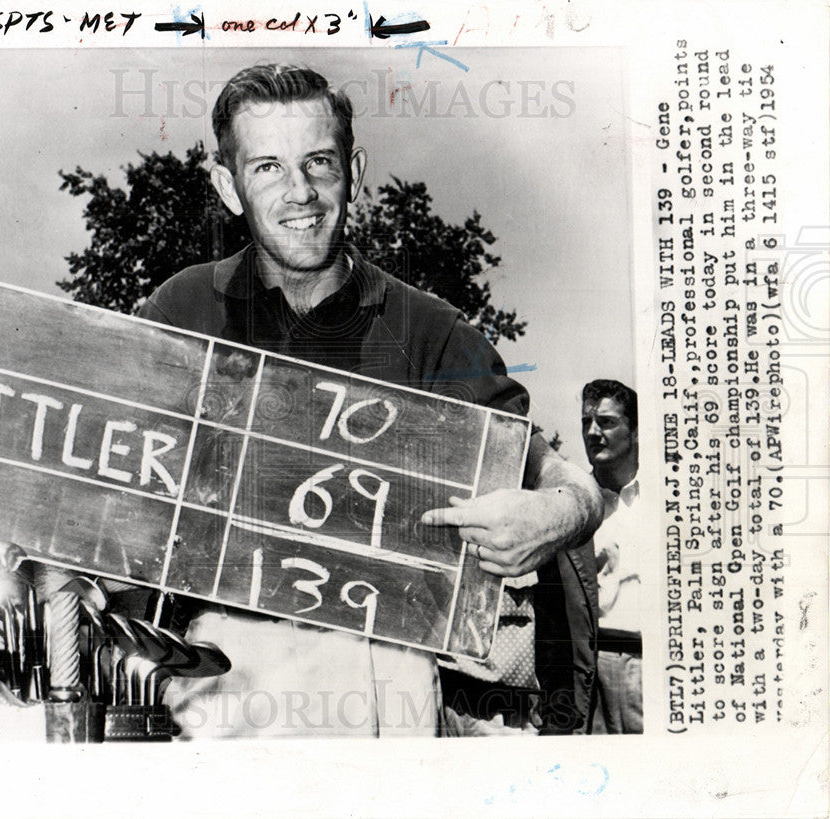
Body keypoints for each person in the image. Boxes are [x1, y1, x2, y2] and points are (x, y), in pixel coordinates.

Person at [138, 64, 602, 737]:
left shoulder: (430, 329)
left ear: (353, 171)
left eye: (319, 162)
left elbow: (554, 474)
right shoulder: (179, 309)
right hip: (220, 680)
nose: (301, 192)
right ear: (227, 186)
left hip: (384, 681)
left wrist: (562, 512)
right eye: (267, 167)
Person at [581, 379, 643, 734]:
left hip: (651, 664)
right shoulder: (575, 502)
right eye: (586, 422)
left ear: (634, 430)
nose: (592, 432)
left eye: (606, 422)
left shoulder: (668, 494)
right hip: (592, 669)